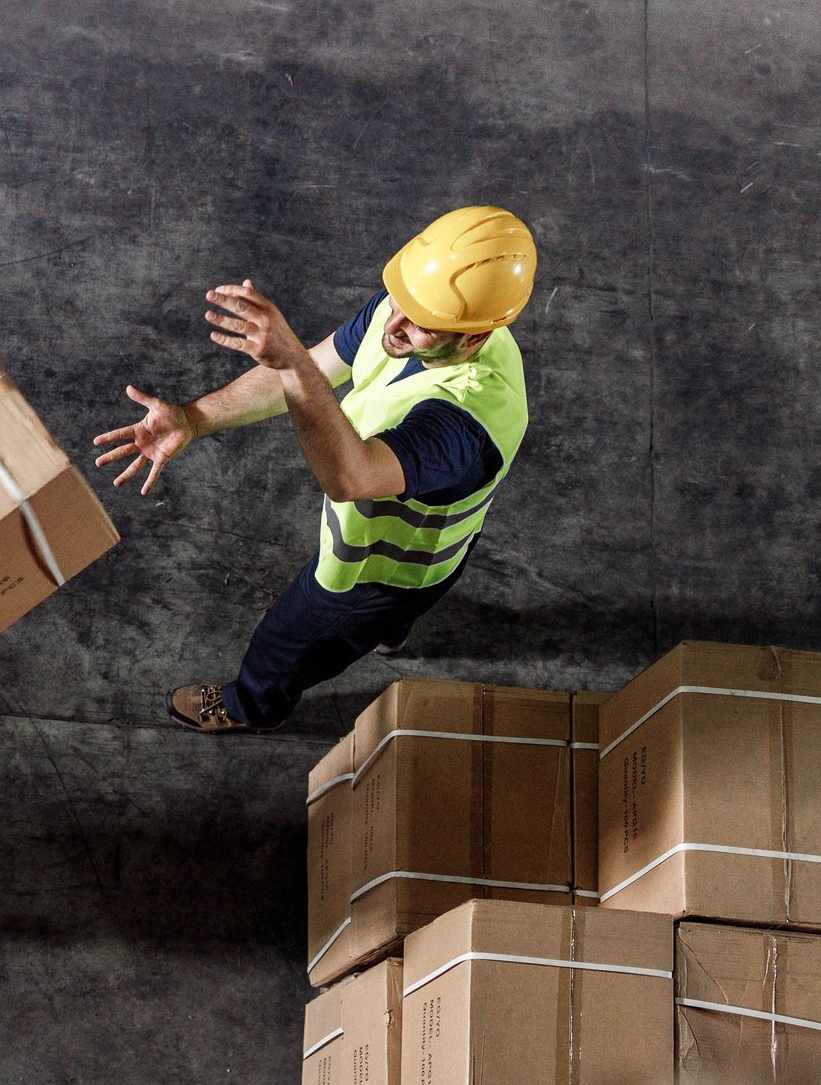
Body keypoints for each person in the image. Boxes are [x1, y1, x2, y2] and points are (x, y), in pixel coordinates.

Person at [93, 206, 537, 733]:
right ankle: (390, 630)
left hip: (372, 571)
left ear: (473, 339)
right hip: (436, 550)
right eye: (400, 300)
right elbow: (320, 368)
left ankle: (247, 706)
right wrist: (193, 418)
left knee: (285, 641)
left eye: (419, 324)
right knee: (404, 605)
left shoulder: (463, 421)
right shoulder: (424, 305)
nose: (393, 324)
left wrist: (292, 365)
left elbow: (349, 477)